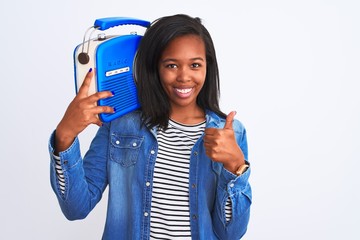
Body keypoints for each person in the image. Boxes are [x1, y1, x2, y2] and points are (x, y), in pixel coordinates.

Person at [49, 14, 252, 240]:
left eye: (195, 65)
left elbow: (231, 234)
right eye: (171, 65)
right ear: (154, 68)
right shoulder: (120, 125)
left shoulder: (231, 134)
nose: (184, 76)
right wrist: (65, 135)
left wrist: (236, 167)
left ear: (208, 66)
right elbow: (76, 208)